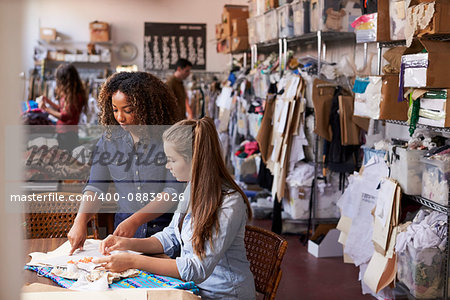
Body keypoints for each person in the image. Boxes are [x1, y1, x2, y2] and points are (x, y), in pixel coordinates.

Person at [94, 117, 256, 300]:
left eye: (171, 160)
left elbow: (197, 268)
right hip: (193, 289)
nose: (167, 166)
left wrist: (133, 260)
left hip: (223, 295)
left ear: (194, 160)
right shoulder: (192, 188)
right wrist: (125, 243)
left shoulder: (229, 202)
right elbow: (171, 235)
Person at [68, 71, 183, 255]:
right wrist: (80, 221)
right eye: (115, 109)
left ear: (147, 107)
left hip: (166, 238)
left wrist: (135, 220)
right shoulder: (108, 141)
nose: (120, 117)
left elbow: (172, 192)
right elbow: (96, 187)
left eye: (128, 110)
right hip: (124, 237)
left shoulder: (169, 139)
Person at [38, 63, 87, 152]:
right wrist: (48, 101)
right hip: (66, 134)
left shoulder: (74, 96)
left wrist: (46, 109)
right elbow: (62, 110)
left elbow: (65, 116)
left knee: (65, 161)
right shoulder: (71, 94)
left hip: (67, 135)